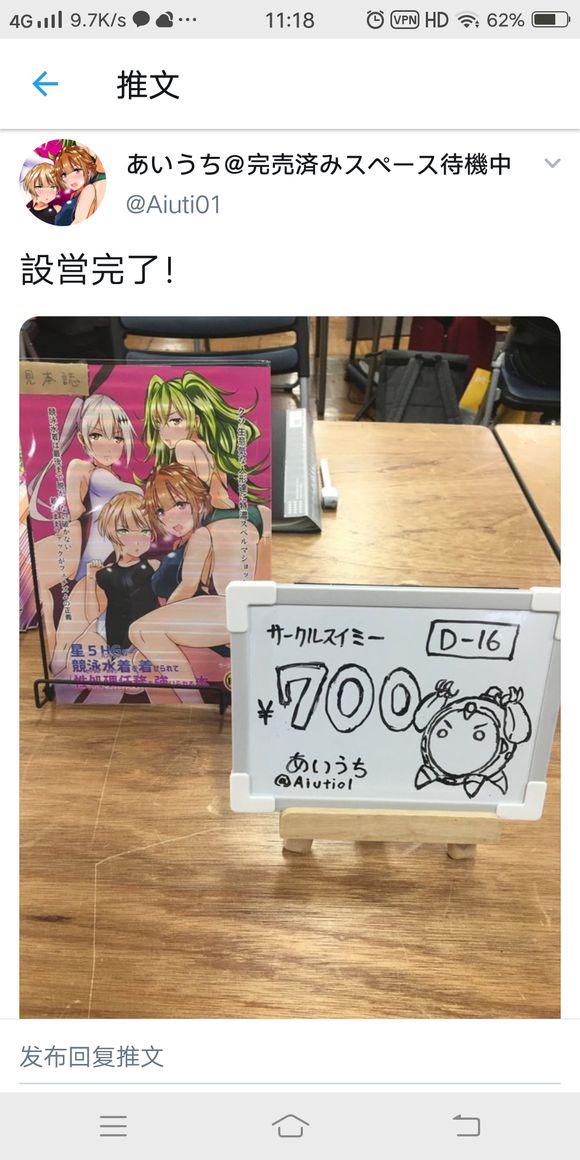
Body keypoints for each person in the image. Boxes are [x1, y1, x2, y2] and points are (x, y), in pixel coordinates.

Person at [128, 463, 271, 700]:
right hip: (257, 607)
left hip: (229, 607)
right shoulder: (261, 514)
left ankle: (192, 700)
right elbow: (265, 564)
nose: (171, 518)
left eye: (180, 504)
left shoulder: (202, 534)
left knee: (141, 631)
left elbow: (186, 587)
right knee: (146, 650)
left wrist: (164, 615)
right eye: (161, 512)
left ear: (200, 497)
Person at [27, 394, 140, 669]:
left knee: (86, 633)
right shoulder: (86, 469)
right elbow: (76, 509)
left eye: (117, 437)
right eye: (97, 435)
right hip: (88, 564)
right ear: (82, 438)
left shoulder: (106, 475)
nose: (109, 445)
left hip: (101, 565)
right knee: (75, 635)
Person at [140, 370, 267, 510]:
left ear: (196, 421)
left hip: (210, 515)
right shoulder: (210, 449)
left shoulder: (185, 447)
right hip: (229, 509)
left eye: (175, 421)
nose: (164, 431)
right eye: (158, 423)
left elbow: (190, 501)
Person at [53, 143, 106, 225]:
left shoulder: (88, 190)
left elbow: (78, 221)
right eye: (64, 174)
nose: (70, 178)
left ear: (88, 170)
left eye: (76, 170)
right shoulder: (75, 194)